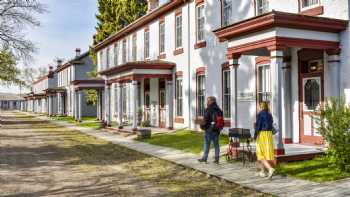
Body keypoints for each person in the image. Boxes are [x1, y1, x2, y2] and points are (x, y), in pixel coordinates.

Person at [198, 96, 223, 164]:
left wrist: (202, 126)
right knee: (216, 145)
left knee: (207, 144)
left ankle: (204, 158)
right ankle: (217, 159)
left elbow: (205, 120)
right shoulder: (219, 110)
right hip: (217, 129)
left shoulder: (209, 109)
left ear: (212, 101)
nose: (207, 102)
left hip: (209, 129)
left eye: (208, 101)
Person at [254, 102, 275, 179]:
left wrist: (255, 135)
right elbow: (271, 123)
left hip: (262, 134)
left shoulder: (260, 114)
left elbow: (258, 125)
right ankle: (262, 172)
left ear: (261, 107)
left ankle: (270, 169)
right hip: (269, 135)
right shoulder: (269, 114)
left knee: (260, 153)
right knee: (264, 153)